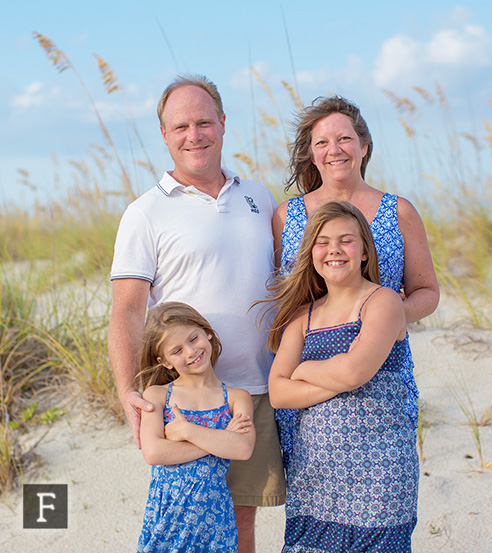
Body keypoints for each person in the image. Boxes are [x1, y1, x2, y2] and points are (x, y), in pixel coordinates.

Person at [109, 74, 284, 553]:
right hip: (184, 399)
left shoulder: (258, 197)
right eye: (180, 126)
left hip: (252, 392)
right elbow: (126, 310)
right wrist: (128, 391)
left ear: (223, 124)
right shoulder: (145, 213)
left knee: (239, 521)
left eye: (204, 122)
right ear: (164, 134)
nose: (194, 135)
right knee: (183, 521)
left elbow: (283, 285)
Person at [273, 95, 438, 438]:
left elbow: (427, 292)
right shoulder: (286, 217)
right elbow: (283, 297)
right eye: (322, 142)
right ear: (312, 154)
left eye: (345, 138)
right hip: (304, 378)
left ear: (364, 146)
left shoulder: (399, 212)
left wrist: (382, 321)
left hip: (381, 373)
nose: (335, 149)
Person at [265, 201, 417, 550]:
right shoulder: (303, 315)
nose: (334, 249)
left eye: (346, 240)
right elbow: (278, 393)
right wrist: (334, 376)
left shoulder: (383, 302)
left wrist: (303, 371)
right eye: (322, 241)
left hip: (379, 469)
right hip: (316, 473)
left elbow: (355, 371)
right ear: (311, 253)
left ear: (364, 250)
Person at [136, 302, 256, 552]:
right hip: (169, 514)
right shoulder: (157, 395)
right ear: (165, 361)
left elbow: (243, 448)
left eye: (193, 338)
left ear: (207, 332)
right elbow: (155, 453)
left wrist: (189, 432)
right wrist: (222, 440)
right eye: (177, 350)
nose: (191, 352)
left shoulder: (236, 397)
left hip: (214, 517)